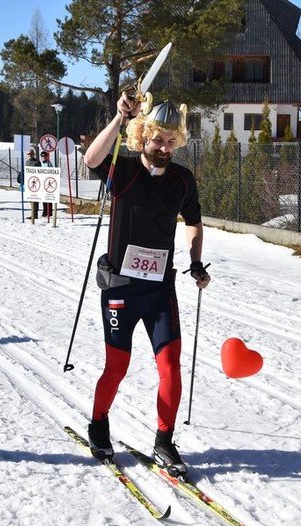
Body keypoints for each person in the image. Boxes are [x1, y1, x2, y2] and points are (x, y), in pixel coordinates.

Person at [82, 94, 210, 476]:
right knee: (117, 367)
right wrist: (119, 118)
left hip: (159, 290)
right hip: (120, 288)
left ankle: (164, 441)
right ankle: (98, 424)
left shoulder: (182, 180)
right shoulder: (123, 170)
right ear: (142, 136)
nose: (164, 148)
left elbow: (193, 221)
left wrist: (196, 261)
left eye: (171, 141)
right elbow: (90, 159)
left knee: (170, 367)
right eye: (157, 140)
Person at [25, 149, 42, 221]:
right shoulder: (27, 162)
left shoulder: (37, 162)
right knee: (30, 199)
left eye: (31, 154)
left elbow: (40, 171)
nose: (30, 155)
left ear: (33, 154)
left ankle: (35, 214)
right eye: (29, 154)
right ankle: (32, 214)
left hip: (36, 181)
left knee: (35, 198)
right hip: (29, 182)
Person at [40, 150, 54, 219]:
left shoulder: (49, 164)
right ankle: (44, 212)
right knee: (43, 198)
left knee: (49, 198)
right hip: (42, 183)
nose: (43, 157)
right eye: (42, 156)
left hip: (48, 183)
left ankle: (49, 212)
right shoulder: (41, 164)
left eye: (45, 156)